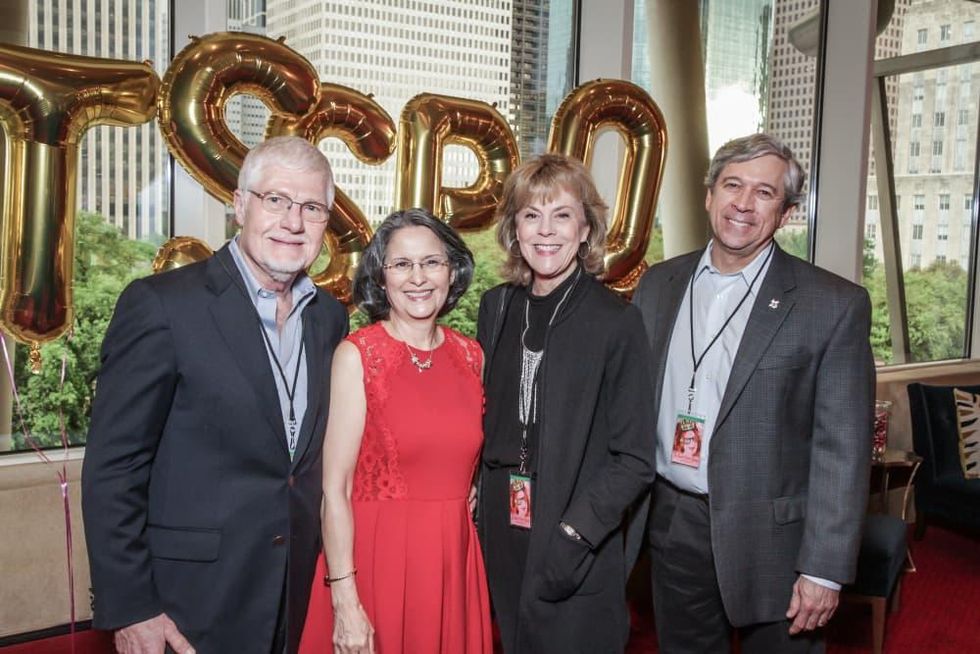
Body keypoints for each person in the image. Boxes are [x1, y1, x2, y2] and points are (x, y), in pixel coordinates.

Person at [81, 136, 349, 654]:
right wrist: (132, 606)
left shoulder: (329, 317)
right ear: (240, 205)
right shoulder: (162, 305)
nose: (292, 222)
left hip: (295, 597)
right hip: (188, 606)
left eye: (311, 207)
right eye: (275, 200)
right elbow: (114, 468)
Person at [632, 133, 874, 653]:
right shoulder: (659, 284)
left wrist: (824, 570)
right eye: (732, 185)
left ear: (785, 212)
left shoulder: (831, 305)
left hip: (778, 542)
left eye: (764, 193)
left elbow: (843, 449)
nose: (743, 204)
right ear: (708, 195)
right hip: (675, 521)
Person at [477, 153, 656, 653]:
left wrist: (576, 533)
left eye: (561, 215)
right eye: (531, 215)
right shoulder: (497, 307)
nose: (545, 231)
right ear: (514, 229)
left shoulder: (616, 322)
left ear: (585, 228)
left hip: (573, 528)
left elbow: (636, 460)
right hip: (502, 524)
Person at [299, 208, 492, 654]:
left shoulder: (471, 357)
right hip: (375, 565)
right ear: (381, 277)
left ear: (452, 271)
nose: (418, 277)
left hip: (453, 564)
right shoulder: (358, 356)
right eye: (402, 264)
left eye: (432, 262)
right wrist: (345, 600)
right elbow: (336, 489)